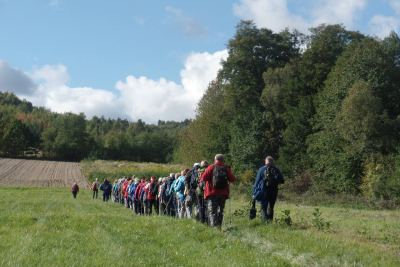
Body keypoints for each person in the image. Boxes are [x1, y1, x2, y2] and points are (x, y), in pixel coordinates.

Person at [201, 154, 236, 227]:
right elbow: (232, 179)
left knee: (212, 211)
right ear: (223, 160)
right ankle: (219, 226)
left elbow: (203, 178)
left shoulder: (211, 167)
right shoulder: (226, 168)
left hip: (212, 192)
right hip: (223, 193)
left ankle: (214, 227)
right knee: (220, 211)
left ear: (214, 160)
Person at [253, 156, 284, 222]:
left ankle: (265, 222)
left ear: (265, 162)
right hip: (274, 191)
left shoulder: (261, 169)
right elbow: (282, 181)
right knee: (271, 207)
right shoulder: (276, 170)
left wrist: (254, 192)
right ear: (273, 162)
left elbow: (257, 182)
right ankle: (270, 222)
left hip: (264, 191)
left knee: (263, 207)